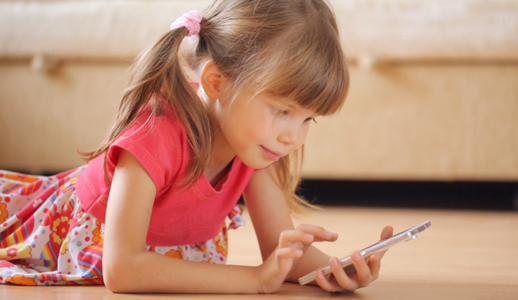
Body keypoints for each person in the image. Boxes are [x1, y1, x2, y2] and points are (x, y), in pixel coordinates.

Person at [0, 0, 393, 294]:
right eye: (282, 111)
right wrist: (254, 279)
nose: (295, 136)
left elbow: (282, 255)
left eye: (308, 119)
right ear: (216, 81)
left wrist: (338, 271)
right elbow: (122, 269)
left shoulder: (256, 147)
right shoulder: (154, 136)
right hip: (55, 231)